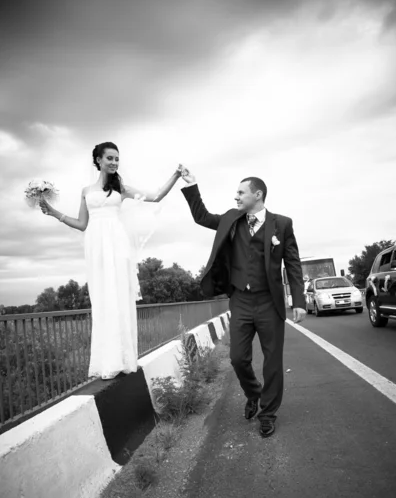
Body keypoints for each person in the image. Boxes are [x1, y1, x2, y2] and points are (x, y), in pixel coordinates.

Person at [40, 141, 182, 379]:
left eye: (117, 158)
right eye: (110, 158)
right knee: (102, 300)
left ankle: (126, 360)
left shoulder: (122, 189)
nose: (114, 162)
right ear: (98, 160)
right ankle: (107, 361)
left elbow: (156, 196)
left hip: (117, 247)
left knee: (119, 298)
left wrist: (176, 175)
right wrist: (54, 212)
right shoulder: (86, 191)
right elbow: (82, 224)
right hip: (95, 247)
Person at [180, 170, 306, 437]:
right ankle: (253, 393)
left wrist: (299, 301)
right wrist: (191, 185)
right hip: (241, 300)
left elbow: (293, 264)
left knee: (272, 361)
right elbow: (201, 216)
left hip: (270, 302)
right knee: (238, 358)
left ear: (257, 195)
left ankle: (268, 413)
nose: (235, 196)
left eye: (241, 192)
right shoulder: (231, 219)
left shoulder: (282, 224)